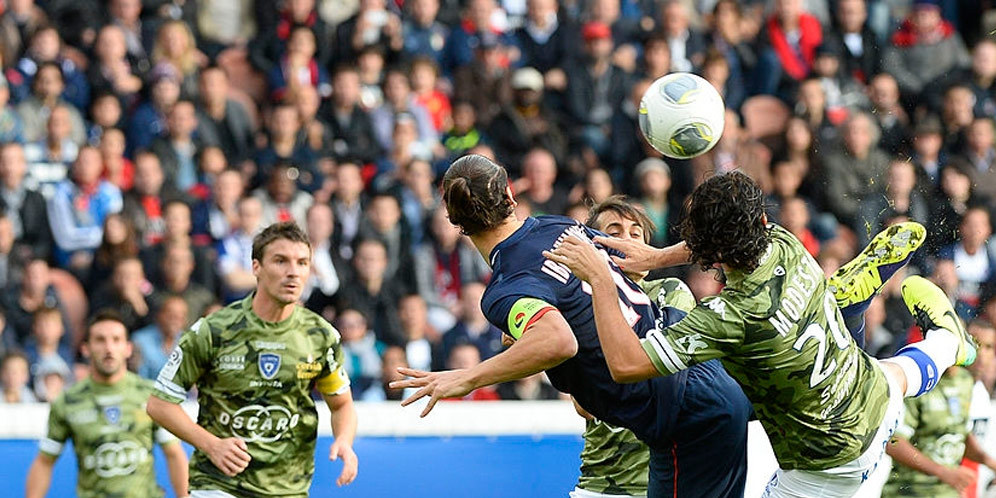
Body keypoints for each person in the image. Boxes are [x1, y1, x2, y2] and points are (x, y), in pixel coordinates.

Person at [542, 171, 975, 497]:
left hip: (828, 463)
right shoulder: (783, 242)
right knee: (898, 375)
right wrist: (656, 258)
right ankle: (941, 339)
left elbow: (626, 365)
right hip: (869, 391)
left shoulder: (726, 317)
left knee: (887, 374)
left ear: (710, 251)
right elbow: (719, 243)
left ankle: (868, 314)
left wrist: (600, 277)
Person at [392, 155, 753, 497]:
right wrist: (662, 256)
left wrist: (466, 377)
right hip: (689, 389)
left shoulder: (506, 290)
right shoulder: (557, 226)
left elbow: (557, 340)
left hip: (685, 412)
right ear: (510, 195)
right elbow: (604, 282)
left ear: (455, 220)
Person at [147, 221, 358, 496]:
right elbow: (159, 403)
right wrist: (211, 445)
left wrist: (344, 440)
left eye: (302, 263)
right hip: (217, 485)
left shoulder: (320, 335)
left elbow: (341, 405)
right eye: (281, 261)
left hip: (287, 488)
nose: (293, 272)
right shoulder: (213, 330)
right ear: (256, 267)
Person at [24, 311, 189, 498]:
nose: (109, 348)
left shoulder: (151, 395)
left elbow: (174, 453)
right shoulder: (68, 401)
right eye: (100, 340)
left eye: (116, 340)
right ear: (86, 348)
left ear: (128, 348)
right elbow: (44, 461)